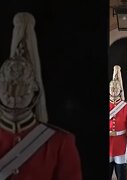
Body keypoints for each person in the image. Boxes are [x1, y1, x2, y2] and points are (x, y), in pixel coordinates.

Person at [0, 12, 82, 180]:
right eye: (8, 87)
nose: (14, 95)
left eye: (23, 87)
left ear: (35, 91)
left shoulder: (60, 142)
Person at [109, 65, 127, 180]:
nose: (114, 90)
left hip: (120, 144)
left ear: (120, 89)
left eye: (116, 88)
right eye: (111, 87)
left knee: (121, 176)